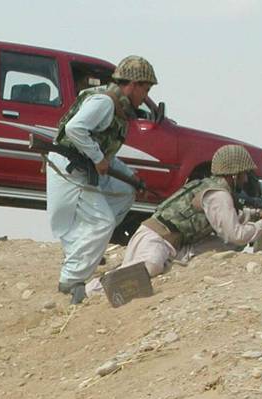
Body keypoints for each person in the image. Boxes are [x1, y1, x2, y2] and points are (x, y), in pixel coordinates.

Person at [91, 144, 262, 291]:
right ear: (234, 175)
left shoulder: (213, 189)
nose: (245, 180)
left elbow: (227, 220)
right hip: (155, 238)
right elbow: (236, 234)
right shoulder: (218, 195)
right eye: (243, 175)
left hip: (173, 245)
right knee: (151, 266)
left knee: (229, 246)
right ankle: (93, 289)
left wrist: (256, 214)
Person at [47, 55, 158, 304]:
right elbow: (75, 129)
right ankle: (71, 280)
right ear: (133, 85)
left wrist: (130, 177)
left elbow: (105, 151)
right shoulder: (105, 102)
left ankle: (86, 251)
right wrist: (98, 158)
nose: (145, 97)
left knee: (124, 191)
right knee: (102, 222)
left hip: (84, 166)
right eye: (146, 90)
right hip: (70, 168)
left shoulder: (114, 105)